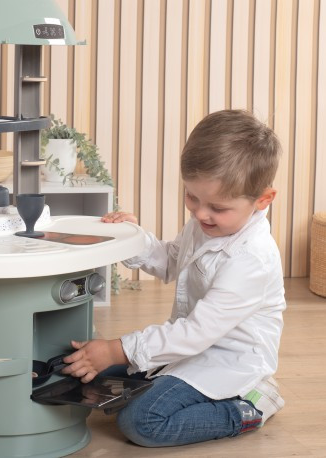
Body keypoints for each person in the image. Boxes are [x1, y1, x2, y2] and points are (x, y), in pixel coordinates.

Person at [62, 109, 286, 447]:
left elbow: (196, 333)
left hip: (228, 360)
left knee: (141, 421)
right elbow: (172, 261)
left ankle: (250, 406)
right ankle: (160, 381)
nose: (200, 213)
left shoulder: (251, 259)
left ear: (263, 200)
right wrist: (133, 238)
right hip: (188, 348)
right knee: (90, 373)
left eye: (217, 207)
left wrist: (116, 349)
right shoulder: (205, 224)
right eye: (192, 197)